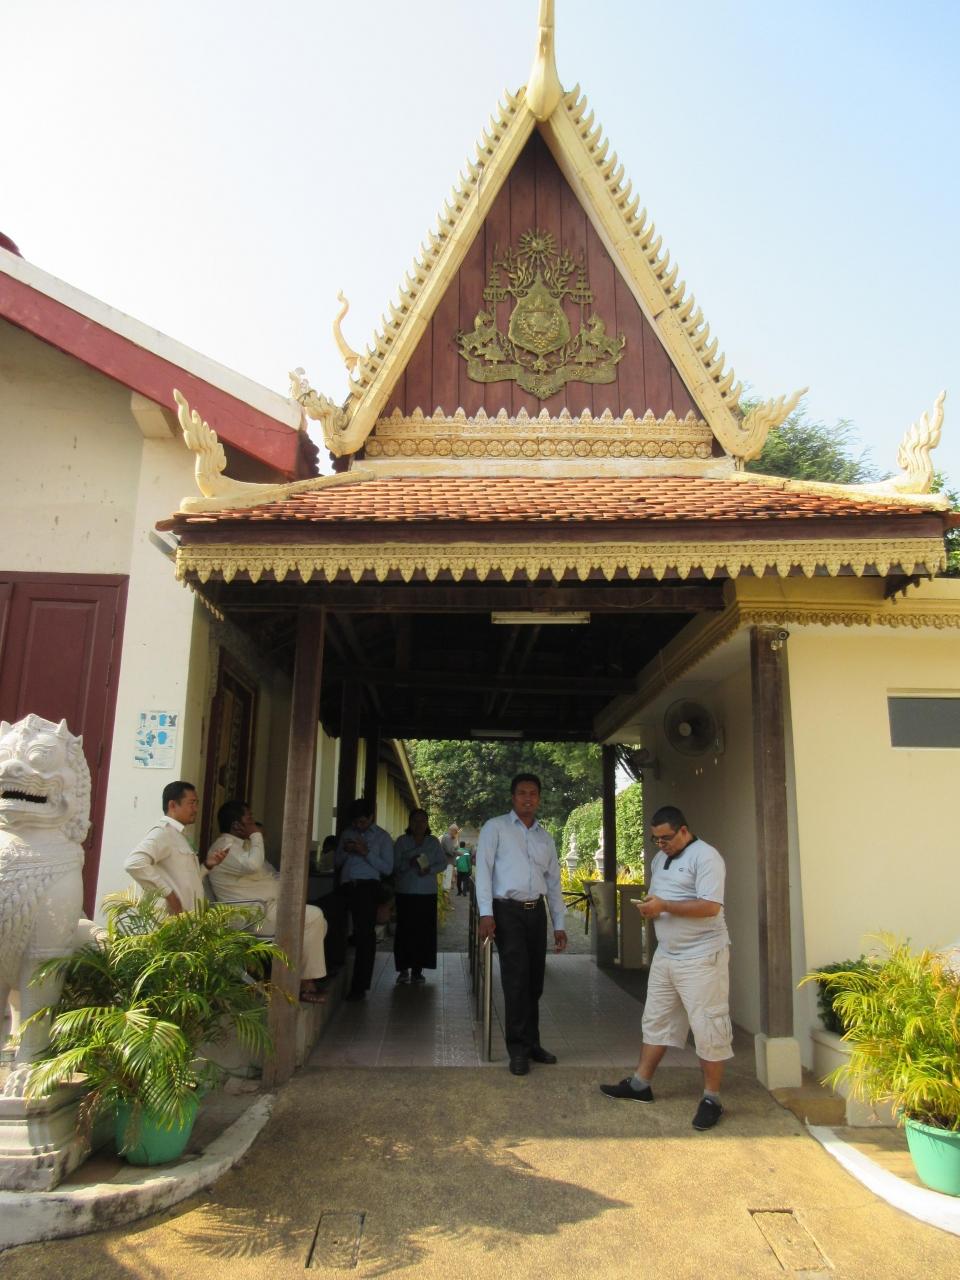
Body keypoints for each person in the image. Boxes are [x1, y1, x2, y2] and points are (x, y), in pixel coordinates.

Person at [599, 805, 732, 1131]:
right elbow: (662, 897)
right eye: (656, 839)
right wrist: (651, 907)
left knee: (708, 1025)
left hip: (702, 956)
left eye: (666, 838)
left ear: (684, 830)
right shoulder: (660, 859)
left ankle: (712, 1098)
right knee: (656, 1019)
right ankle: (640, 1084)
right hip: (667, 955)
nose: (661, 844)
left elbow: (711, 907)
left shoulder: (707, 857)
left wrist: (665, 906)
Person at [475, 773, 567, 1075]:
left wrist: (559, 924)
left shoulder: (544, 837)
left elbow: (554, 883)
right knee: (516, 980)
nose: (528, 798)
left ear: (539, 798)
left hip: (535, 911)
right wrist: (485, 914)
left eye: (533, 793)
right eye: (522, 793)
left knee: (534, 981)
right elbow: (484, 871)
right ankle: (517, 1049)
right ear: (513, 797)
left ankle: (532, 1042)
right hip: (507, 911)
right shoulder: (495, 828)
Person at [207, 800, 328, 1004]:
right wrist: (256, 835)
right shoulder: (225, 848)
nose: (253, 824)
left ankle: (291, 980)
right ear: (237, 825)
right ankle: (305, 984)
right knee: (314, 916)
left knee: (318, 923)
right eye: (249, 819)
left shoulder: (243, 847)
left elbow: (271, 873)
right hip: (249, 915)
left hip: (265, 909)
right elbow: (253, 866)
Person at [125, 780, 227, 913]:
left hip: (188, 919)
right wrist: (169, 895)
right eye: (191, 803)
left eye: (196, 803)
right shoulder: (163, 832)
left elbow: (185, 879)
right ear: (172, 805)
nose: (195, 809)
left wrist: (207, 865)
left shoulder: (179, 834)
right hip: (173, 920)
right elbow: (134, 863)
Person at [335, 797, 393, 1001]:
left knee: (364, 936)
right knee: (334, 925)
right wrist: (346, 850)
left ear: (371, 817)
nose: (359, 826)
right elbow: (337, 862)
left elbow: (388, 868)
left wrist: (365, 852)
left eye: (362, 821)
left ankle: (359, 987)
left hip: (368, 887)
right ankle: (330, 968)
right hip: (346, 885)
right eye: (355, 822)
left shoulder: (382, 837)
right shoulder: (347, 834)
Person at [392, 808, 446, 985]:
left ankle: (418, 971)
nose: (419, 824)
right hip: (405, 892)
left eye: (423, 821)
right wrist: (409, 862)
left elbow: (443, 863)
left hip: (427, 893)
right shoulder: (402, 841)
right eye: (415, 820)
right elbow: (394, 866)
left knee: (423, 932)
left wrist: (429, 869)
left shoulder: (433, 842)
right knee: (404, 931)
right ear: (410, 822)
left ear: (427, 823)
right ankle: (403, 970)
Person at [440, 823, 459, 896]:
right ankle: (445, 898)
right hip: (447, 862)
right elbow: (450, 851)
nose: (456, 834)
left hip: (446, 862)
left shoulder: (447, 837)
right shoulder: (448, 838)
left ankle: (445, 897)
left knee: (446, 881)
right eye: (456, 832)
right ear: (452, 830)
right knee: (446, 883)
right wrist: (458, 852)